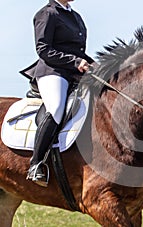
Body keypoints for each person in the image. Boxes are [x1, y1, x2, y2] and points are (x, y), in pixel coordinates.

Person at [20, 0, 94, 187]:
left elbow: (78, 51)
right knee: (56, 107)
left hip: (74, 73)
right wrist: (75, 62)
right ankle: (36, 163)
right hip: (52, 72)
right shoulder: (47, 14)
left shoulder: (75, 16)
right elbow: (43, 50)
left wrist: (93, 64)